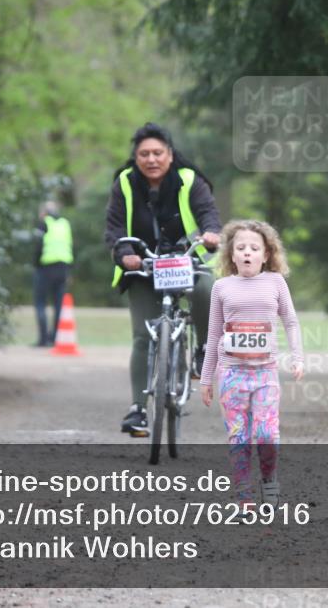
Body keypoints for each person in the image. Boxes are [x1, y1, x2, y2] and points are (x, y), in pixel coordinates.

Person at [104, 123, 221, 437]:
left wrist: (212, 235)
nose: (151, 159)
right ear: (136, 157)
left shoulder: (189, 179)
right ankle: (138, 410)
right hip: (143, 264)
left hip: (184, 258)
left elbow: (208, 213)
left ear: (170, 155)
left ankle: (204, 351)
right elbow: (114, 227)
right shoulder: (125, 184)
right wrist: (125, 253)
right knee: (143, 336)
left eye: (158, 153)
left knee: (206, 288)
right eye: (144, 154)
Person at [199, 220, 304, 510]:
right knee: (239, 436)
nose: (247, 253)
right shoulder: (221, 287)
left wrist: (297, 357)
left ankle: (269, 479)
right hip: (232, 373)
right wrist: (206, 379)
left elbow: (291, 322)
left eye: (254, 248)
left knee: (267, 434)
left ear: (266, 254)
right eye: (241, 248)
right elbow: (213, 334)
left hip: (265, 373)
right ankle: (244, 496)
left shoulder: (275, 282)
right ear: (231, 255)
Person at [33, 200, 73, 347]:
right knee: (58, 306)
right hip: (63, 269)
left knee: (40, 303)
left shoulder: (43, 224)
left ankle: (42, 339)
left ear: (44, 212)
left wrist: (35, 265)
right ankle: (54, 338)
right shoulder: (65, 224)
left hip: (45, 268)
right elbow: (69, 247)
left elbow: (38, 246)